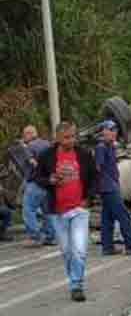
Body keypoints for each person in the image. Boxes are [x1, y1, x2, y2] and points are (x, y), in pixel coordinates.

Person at [34, 121, 97, 301]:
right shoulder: (46, 155)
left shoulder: (84, 154)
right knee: (67, 251)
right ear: (58, 138)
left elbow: (94, 177)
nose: (71, 140)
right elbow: (37, 177)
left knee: (79, 249)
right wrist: (50, 180)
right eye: (67, 137)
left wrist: (88, 198)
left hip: (79, 209)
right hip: (57, 212)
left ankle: (76, 285)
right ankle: (74, 280)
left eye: (73, 136)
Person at [95, 121, 131, 256]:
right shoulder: (101, 147)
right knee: (123, 215)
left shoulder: (110, 146)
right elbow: (98, 167)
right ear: (103, 131)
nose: (114, 133)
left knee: (107, 218)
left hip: (110, 185)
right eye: (110, 130)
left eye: (115, 130)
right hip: (108, 187)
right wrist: (104, 184)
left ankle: (107, 247)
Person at [16, 125, 54, 245]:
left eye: (24, 134)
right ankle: (50, 237)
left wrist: (24, 147)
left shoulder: (30, 146)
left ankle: (34, 237)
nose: (23, 137)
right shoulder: (47, 144)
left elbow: (33, 162)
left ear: (29, 134)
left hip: (36, 182)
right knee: (47, 211)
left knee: (28, 209)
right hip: (48, 183)